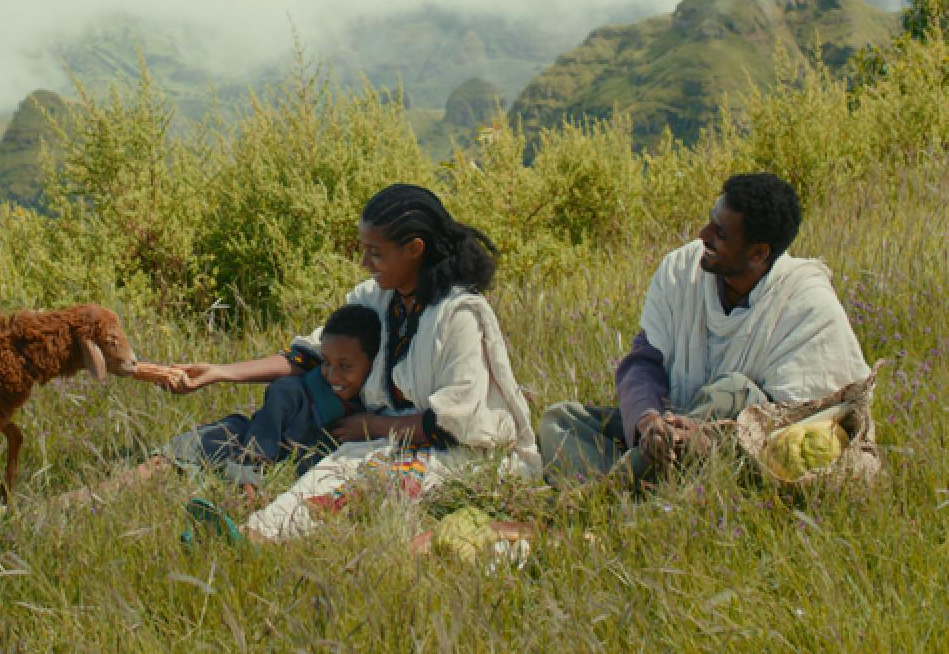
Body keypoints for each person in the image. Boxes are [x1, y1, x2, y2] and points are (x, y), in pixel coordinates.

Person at [174, 183, 543, 542]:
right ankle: (249, 535)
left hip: (454, 452)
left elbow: (454, 423)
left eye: (375, 253)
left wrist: (374, 425)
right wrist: (219, 373)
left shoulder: (458, 315)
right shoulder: (377, 298)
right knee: (330, 471)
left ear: (414, 249)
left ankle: (257, 540)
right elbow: (311, 355)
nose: (365, 263)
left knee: (370, 481)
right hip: (381, 438)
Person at [538, 172, 871, 485]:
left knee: (732, 389)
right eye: (711, 221)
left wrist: (702, 436)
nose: (703, 236)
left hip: (732, 447)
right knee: (560, 420)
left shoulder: (806, 303)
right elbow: (644, 362)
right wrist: (648, 420)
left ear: (758, 253)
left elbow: (798, 419)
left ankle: (611, 490)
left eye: (720, 234)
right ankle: (642, 479)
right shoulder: (682, 269)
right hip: (667, 427)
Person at [158, 303, 381, 485]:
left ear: (373, 364)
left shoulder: (376, 404)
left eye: (345, 367)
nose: (332, 376)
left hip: (304, 466)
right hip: (259, 451)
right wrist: (251, 467)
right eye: (326, 363)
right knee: (218, 435)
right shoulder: (297, 392)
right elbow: (262, 437)